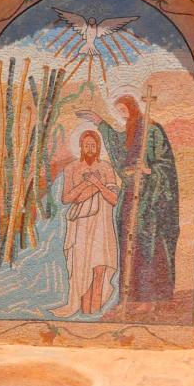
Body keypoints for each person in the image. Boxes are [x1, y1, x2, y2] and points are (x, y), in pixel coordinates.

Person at [77, 94, 179, 315]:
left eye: (124, 111)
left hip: (150, 200)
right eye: (119, 112)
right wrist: (100, 122)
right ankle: (131, 297)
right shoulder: (131, 132)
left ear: (133, 109)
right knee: (128, 245)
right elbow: (119, 147)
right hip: (130, 195)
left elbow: (166, 165)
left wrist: (148, 170)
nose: (122, 116)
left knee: (147, 246)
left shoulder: (153, 130)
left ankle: (150, 299)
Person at [51, 131, 120, 317]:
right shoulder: (72, 168)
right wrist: (85, 184)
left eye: (93, 145)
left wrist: (97, 184)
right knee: (82, 269)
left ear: (99, 148)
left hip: (102, 225)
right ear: (80, 147)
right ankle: (84, 313)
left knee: (99, 268)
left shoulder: (106, 168)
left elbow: (113, 199)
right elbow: (66, 198)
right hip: (81, 225)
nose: (90, 149)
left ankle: (94, 312)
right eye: (87, 145)